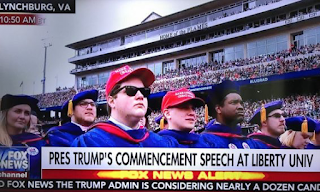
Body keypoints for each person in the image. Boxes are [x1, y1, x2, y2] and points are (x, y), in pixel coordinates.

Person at [72, 65, 180, 147]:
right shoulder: (89, 143)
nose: (140, 96)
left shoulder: (161, 143)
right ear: (112, 101)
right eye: (131, 90)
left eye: (144, 91)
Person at [202, 80, 259, 149]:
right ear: (218, 109)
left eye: (241, 103)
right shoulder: (205, 141)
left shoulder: (250, 141)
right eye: (234, 103)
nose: (240, 107)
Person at [0, 94, 45, 179]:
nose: (22, 117)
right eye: (17, 111)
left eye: (27, 113)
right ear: (5, 114)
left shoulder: (38, 143)